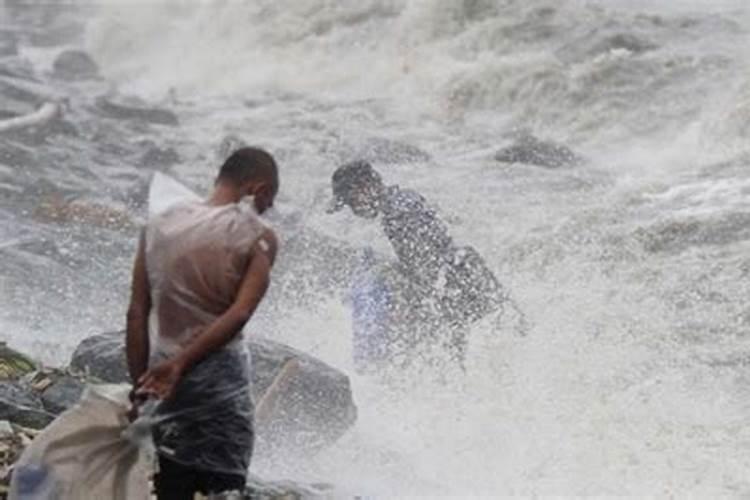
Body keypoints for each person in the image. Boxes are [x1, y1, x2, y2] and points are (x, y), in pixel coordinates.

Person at [125, 147, 280, 500]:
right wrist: (180, 364)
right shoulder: (257, 237)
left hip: (165, 388)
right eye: (270, 199)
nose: (269, 210)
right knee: (224, 488)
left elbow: (136, 313)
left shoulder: (159, 225)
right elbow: (239, 313)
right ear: (258, 188)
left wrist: (140, 387)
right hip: (220, 391)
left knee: (171, 485)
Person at [328, 160, 504, 370]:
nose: (353, 210)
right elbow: (434, 252)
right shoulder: (404, 198)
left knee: (459, 361)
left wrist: (409, 307)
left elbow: (429, 268)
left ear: (364, 188)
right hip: (471, 274)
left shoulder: (396, 216)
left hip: (460, 286)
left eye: (351, 202)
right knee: (498, 339)